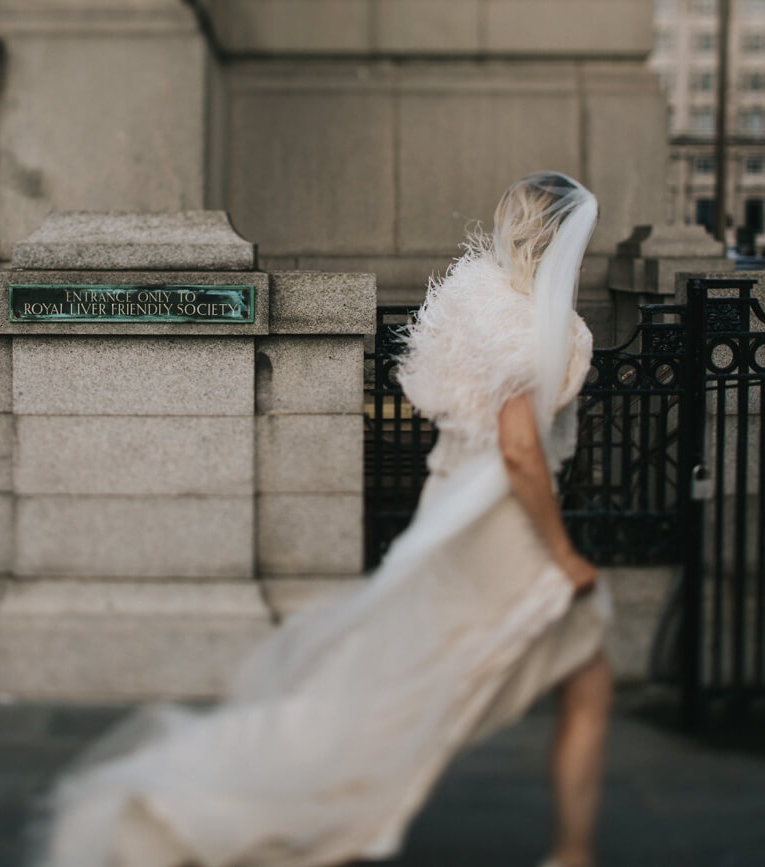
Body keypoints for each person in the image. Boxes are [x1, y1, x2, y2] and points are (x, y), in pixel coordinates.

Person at [32, 171, 614, 867]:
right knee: (443, 698)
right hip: (506, 537)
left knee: (422, 686)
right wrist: (562, 552)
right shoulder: (536, 329)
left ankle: (563, 849)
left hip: (452, 517)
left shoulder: (475, 300)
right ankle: (278, 811)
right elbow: (521, 451)